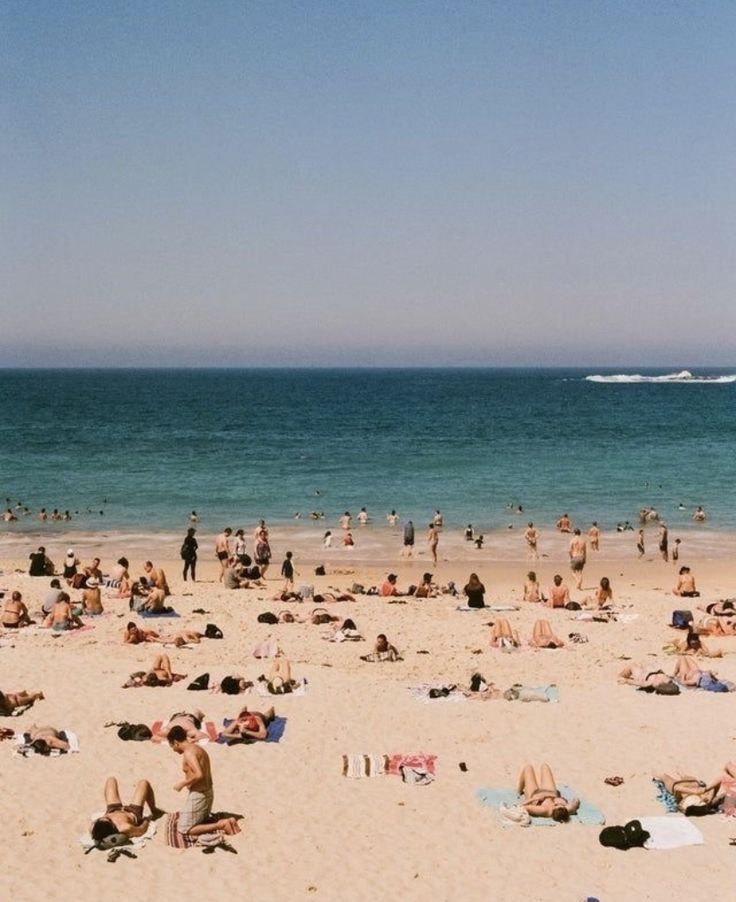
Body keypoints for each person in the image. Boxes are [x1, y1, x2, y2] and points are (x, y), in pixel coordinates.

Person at [167, 726, 240, 836]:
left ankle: (222, 825)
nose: (173, 750)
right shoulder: (197, 748)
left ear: (176, 742)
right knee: (195, 820)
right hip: (208, 793)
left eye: (172, 746)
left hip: (200, 796)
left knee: (183, 829)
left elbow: (199, 774)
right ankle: (229, 821)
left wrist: (183, 783)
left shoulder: (189, 753)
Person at [90, 776, 162, 844]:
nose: (103, 817)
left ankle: (154, 809)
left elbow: (93, 829)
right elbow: (141, 830)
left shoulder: (94, 827)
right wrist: (146, 820)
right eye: (108, 819)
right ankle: (154, 809)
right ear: (112, 826)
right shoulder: (124, 827)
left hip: (113, 809)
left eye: (102, 818)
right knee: (144, 783)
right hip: (133, 812)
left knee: (111, 780)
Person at [653, 768, 734, 815]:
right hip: (694, 790)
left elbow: (677, 788)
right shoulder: (707, 800)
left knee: (663, 776)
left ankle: (682, 775)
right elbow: (721, 778)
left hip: (685, 790)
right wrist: (706, 790)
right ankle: (682, 775)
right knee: (687, 778)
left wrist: (695, 792)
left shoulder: (686, 800)